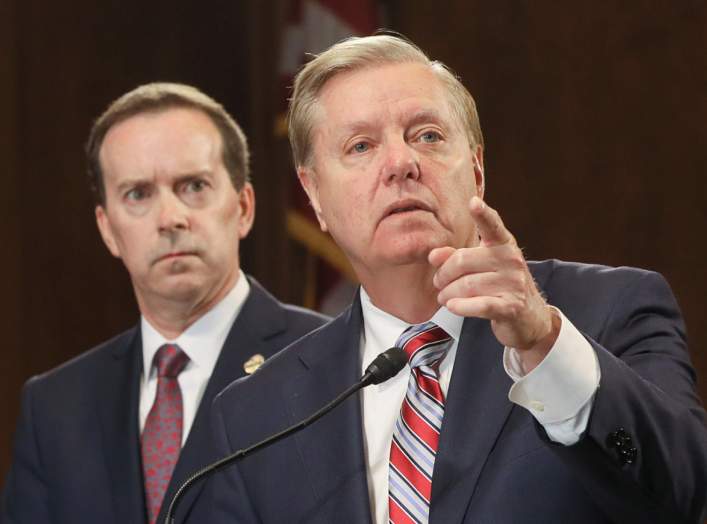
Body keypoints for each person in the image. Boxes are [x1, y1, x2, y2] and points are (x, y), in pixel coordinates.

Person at [205, 35, 707, 523]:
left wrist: (544, 346)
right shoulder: (256, 415)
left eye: (428, 135)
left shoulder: (613, 310)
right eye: (360, 146)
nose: (401, 163)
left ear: (477, 169)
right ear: (313, 195)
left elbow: (685, 493)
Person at [1, 83, 328, 524]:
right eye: (138, 194)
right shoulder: (54, 405)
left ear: (244, 207)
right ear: (108, 229)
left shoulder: (328, 360)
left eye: (193, 186)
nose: (170, 218)